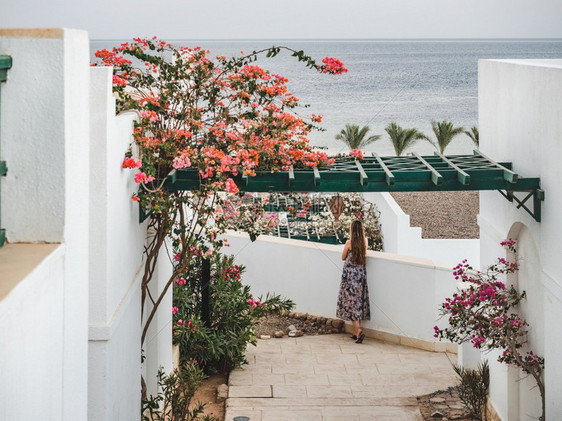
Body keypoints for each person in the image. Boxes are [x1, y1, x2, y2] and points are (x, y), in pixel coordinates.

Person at [336, 219, 370, 344]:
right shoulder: (365, 242)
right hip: (360, 276)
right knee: (358, 303)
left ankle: (358, 329)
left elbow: (343, 257)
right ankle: (356, 333)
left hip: (349, 277)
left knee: (351, 304)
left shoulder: (349, 243)